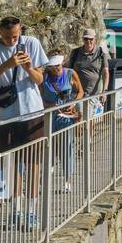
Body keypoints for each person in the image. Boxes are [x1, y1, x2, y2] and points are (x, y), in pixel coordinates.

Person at [0, 17, 50, 225]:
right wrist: (7, 64)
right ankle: (17, 209)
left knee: (32, 163)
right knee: (11, 164)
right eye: (8, 37)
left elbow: (40, 81)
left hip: (30, 111)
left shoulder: (31, 43)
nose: (13, 40)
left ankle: (32, 210)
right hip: (4, 115)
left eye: (16, 36)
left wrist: (29, 67)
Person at [39, 55, 84, 186]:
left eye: (58, 65)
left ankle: (68, 179)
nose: (57, 69)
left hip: (65, 115)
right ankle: (47, 171)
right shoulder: (44, 77)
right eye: (53, 66)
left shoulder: (70, 73)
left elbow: (80, 91)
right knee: (48, 145)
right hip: (49, 116)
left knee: (67, 147)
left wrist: (73, 104)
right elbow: (38, 95)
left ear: (62, 63)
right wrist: (47, 105)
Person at [68, 29, 109, 105]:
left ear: (95, 39)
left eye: (91, 39)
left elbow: (105, 73)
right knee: (79, 116)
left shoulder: (101, 53)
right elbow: (70, 71)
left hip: (94, 95)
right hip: (77, 94)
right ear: (83, 39)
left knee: (92, 116)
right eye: (86, 39)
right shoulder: (75, 52)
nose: (88, 41)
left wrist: (104, 91)